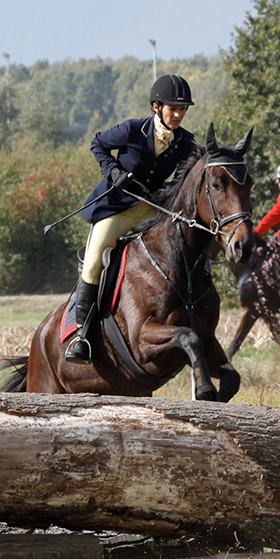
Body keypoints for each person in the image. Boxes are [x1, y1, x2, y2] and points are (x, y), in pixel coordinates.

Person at [62, 74, 199, 364]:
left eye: (182, 109)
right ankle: (81, 337)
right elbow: (97, 143)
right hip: (117, 208)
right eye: (173, 108)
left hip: (152, 210)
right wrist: (112, 172)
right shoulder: (132, 130)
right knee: (94, 260)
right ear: (156, 106)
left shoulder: (186, 142)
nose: (178, 114)